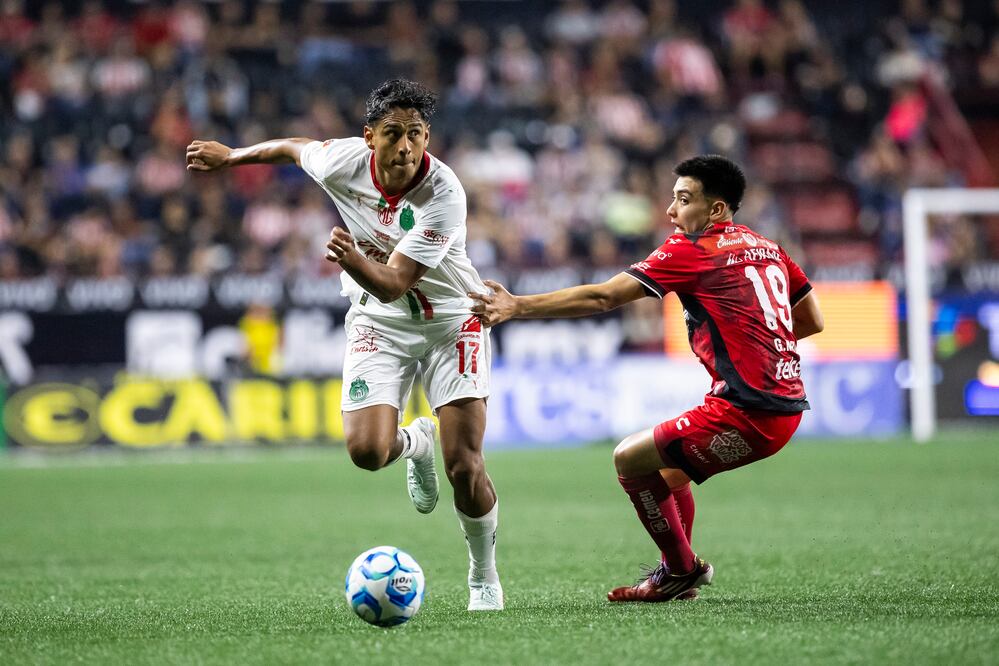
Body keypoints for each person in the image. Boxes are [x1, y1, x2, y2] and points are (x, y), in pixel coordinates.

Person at [186, 79, 504, 611]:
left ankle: (483, 576)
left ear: (427, 137)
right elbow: (293, 148)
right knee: (367, 452)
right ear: (369, 136)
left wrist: (352, 258)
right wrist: (233, 157)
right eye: (393, 133)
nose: (406, 146)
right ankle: (415, 443)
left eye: (416, 134)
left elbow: (395, 281)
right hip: (379, 321)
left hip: (452, 320)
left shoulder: (444, 193)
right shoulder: (342, 162)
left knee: (464, 466)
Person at [469, 155, 824, 602]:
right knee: (669, 476)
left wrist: (517, 306)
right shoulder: (769, 247)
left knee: (629, 459)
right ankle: (677, 575)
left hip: (748, 411)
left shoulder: (692, 250)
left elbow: (603, 297)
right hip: (784, 409)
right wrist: (753, 341)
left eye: (684, 200)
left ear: (716, 209)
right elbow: (812, 319)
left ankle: (681, 571)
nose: (671, 211)